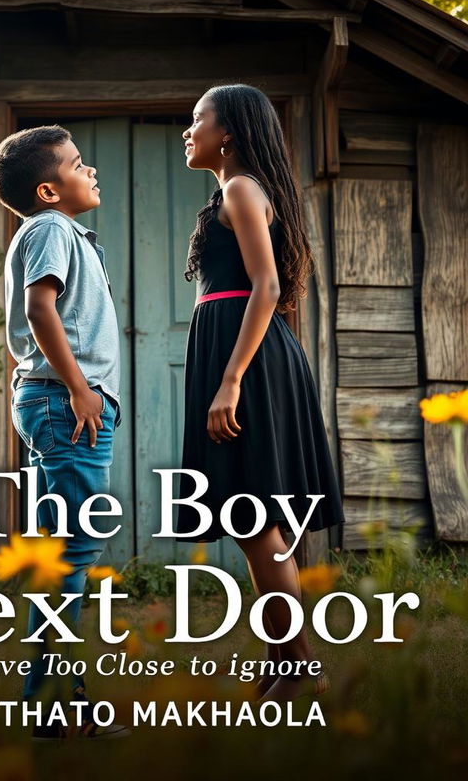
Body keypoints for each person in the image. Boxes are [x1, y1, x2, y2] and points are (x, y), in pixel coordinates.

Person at [178, 83, 345, 701]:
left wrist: (230, 380)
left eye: (199, 120)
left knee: (253, 517)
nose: (188, 130)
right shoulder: (236, 191)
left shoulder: (242, 188)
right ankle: (281, 666)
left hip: (245, 358)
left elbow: (267, 287)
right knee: (260, 514)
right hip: (240, 349)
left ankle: (303, 669)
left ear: (230, 133)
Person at [0, 125, 129, 739]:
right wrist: (79, 388)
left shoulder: (62, 231)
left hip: (56, 403)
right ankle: (53, 708)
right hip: (64, 405)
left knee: (60, 550)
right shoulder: (48, 229)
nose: (89, 169)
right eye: (77, 164)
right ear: (48, 189)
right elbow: (39, 308)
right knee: (75, 548)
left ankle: (54, 698)